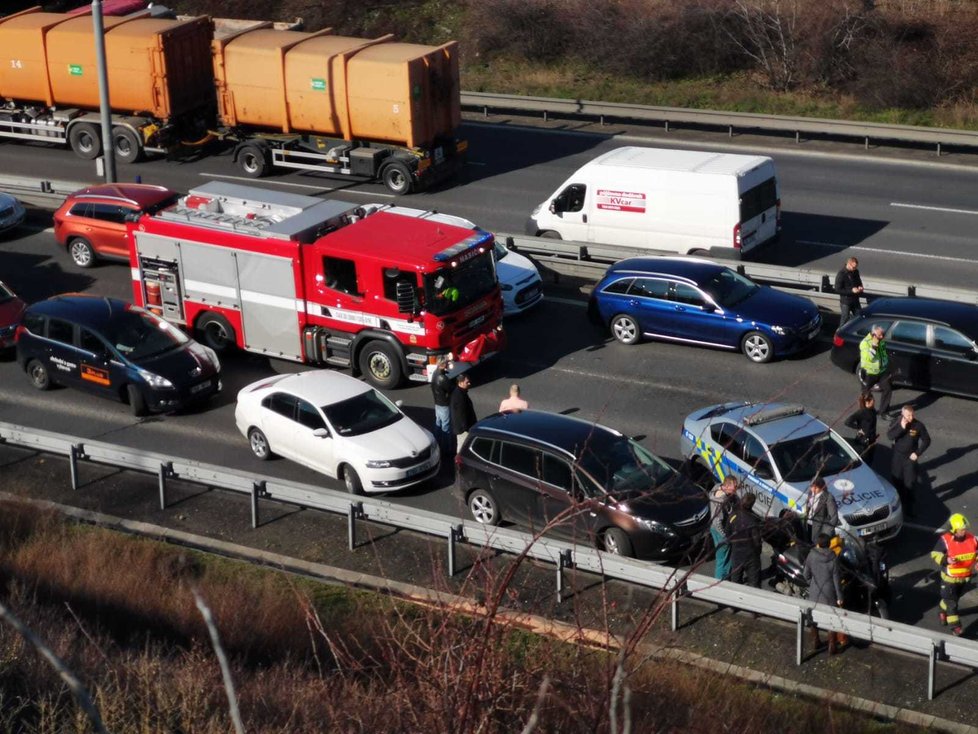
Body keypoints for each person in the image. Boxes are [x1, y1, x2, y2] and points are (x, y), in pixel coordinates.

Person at [931, 513, 978, 636]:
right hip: (949, 580)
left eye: (964, 529)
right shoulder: (945, 540)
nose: (964, 531)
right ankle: (956, 627)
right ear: (954, 530)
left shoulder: (972, 539)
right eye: (961, 530)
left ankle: (942, 611)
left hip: (964, 578)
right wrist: (946, 560)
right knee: (952, 604)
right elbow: (935, 553)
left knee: (952, 599)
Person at [803, 532, 845, 654]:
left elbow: (805, 575)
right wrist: (839, 597)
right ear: (829, 544)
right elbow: (837, 580)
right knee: (831, 618)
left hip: (815, 591)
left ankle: (816, 641)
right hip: (829, 593)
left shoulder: (811, 556)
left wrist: (813, 583)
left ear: (818, 544)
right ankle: (832, 645)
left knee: (812, 616)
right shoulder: (833, 558)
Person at [887, 404, 930, 519]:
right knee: (897, 481)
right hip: (897, 456)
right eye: (908, 415)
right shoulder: (897, 422)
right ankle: (899, 505)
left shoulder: (918, 425)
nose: (910, 417)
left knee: (910, 483)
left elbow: (927, 440)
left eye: (912, 415)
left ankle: (910, 508)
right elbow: (890, 436)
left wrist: (917, 453)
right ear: (902, 414)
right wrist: (901, 427)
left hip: (909, 459)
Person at [727, 492, 762, 588]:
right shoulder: (753, 520)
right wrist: (758, 552)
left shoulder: (732, 516)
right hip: (751, 555)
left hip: (736, 554)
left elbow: (727, 533)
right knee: (754, 582)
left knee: (735, 579)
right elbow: (757, 541)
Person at [858, 324, 893, 416]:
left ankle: (883, 412)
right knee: (866, 393)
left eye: (882, 334)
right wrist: (873, 346)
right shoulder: (865, 343)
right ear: (873, 334)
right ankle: (865, 412)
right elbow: (868, 358)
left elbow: (883, 354)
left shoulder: (881, 340)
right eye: (879, 335)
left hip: (882, 371)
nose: (882, 337)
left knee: (888, 389)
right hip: (869, 373)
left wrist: (886, 365)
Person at [709, 476, 739, 580]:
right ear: (726, 486)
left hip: (714, 530)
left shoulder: (717, 487)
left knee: (725, 556)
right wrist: (725, 536)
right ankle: (720, 580)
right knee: (722, 558)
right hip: (719, 532)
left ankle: (725, 577)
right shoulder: (721, 501)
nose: (735, 489)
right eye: (734, 487)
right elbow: (717, 522)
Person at [430, 356, 455, 463]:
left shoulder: (435, 374)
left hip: (437, 403)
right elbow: (451, 389)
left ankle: (437, 443)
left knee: (438, 423)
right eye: (446, 363)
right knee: (446, 427)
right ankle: (448, 450)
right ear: (443, 364)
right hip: (444, 404)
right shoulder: (443, 378)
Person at [844, 392, 878, 464]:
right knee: (864, 459)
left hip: (872, 438)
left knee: (870, 458)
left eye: (873, 400)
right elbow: (847, 422)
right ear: (866, 402)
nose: (873, 402)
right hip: (864, 440)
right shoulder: (862, 412)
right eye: (871, 401)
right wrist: (859, 428)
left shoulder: (872, 410)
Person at [806, 477, 839, 545]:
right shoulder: (810, 493)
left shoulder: (828, 497)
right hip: (810, 524)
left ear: (822, 487)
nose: (813, 490)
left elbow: (833, 518)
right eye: (812, 487)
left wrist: (825, 536)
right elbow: (808, 506)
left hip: (821, 530)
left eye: (816, 488)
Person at [450, 373, 477, 454]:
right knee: (461, 449)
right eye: (467, 382)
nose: (469, 383)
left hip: (463, 428)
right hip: (463, 430)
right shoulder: (459, 397)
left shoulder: (460, 392)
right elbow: (461, 415)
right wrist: (466, 429)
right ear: (460, 383)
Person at [835, 256, 864, 325]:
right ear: (848, 264)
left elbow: (859, 282)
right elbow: (837, 289)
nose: (854, 269)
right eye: (853, 267)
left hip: (855, 300)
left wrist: (860, 287)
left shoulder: (856, 272)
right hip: (846, 302)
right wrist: (851, 291)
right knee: (845, 318)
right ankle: (839, 333)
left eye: (856, 267)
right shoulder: (841, 274)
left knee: (860, 317)